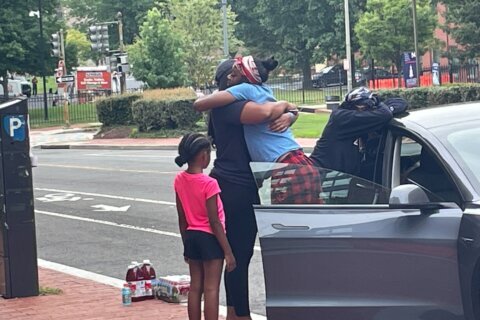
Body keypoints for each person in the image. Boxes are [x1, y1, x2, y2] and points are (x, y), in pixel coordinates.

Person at [203, 59, 302, 320]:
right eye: (235, 75)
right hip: (235, 185)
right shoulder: (227, 108)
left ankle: (234, 314)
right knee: (238, 255)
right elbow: (263, 113)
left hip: (251, 182)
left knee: (240, 254)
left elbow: (279, 110)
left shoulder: (241, 101)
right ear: (228, 81)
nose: (242, 79)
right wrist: (284, 108)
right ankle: (240, 315)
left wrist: (291, 115)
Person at [195, 56, 322, 205]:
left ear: (245, 77)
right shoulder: (264, 91)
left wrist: (289, 110)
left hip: (286, 169)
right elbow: (279, 109)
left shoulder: (245, 90)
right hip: (299, 163)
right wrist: (289, 109)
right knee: (304, 223)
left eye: (234, 74)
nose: (229, 78)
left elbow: (199, 104)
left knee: (289, 225)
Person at [174, 133, 236, 320]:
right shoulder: (210, 184)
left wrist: (186, 245)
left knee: (195, 287)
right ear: (203, 155)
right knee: (211, 289)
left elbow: (182, 218)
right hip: (210, 239)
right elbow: (214, 221)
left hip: (191, 236)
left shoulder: (179, 180)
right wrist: (228, 252)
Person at [309, 87, 394, 179]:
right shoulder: (342, 118)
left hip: (339, 176)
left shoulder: (355, 119)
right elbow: (385, 115)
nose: (366, 112)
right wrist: (377, 102)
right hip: (322, 175)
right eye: (363, 107)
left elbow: (400, 103)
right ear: (352, 105)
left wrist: (382, 105)